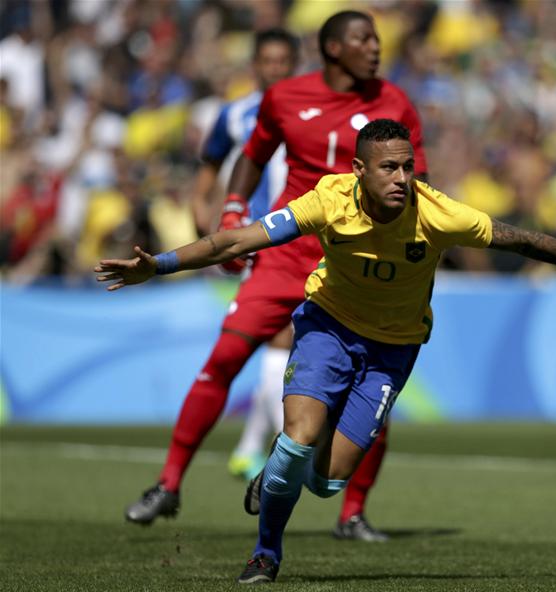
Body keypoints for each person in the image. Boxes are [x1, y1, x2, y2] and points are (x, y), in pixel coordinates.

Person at [96, 118, 556, 584]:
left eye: (408, 166)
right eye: (389, 167)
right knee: (296, 441)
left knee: (326, 481)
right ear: (359, 171)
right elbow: (236, 238)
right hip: (327, 328)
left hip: (394, 349)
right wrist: (162, 264)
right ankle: (266, 555)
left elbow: (523, 240)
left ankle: (279, 476)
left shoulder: (438, 212)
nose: (402, 177)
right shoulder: (327, 200)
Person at [123, 11, 428, 544]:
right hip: (285, 255)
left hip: (352, 265)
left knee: (371, 386)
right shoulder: (285, 96)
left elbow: (416, 181)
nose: (376, 48)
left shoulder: (394, 103)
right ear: (333, 48)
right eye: (364, 39)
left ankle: (351, 513)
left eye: (377, 39)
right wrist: (233, 207)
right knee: (224, 359)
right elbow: (252, 155)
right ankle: (168, 484)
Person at [190, 28, 299, 483]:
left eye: (282, 61)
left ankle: (251, 447)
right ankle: (285, 453)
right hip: (257, 240)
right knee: (284, 338)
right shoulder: (233, 115)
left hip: (299, 234)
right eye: (266, 61)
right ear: (254, 64)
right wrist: (212, 233)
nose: (274, 69)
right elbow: (205, 179)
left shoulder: (308, 109)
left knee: (288, 342)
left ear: (294, 63)